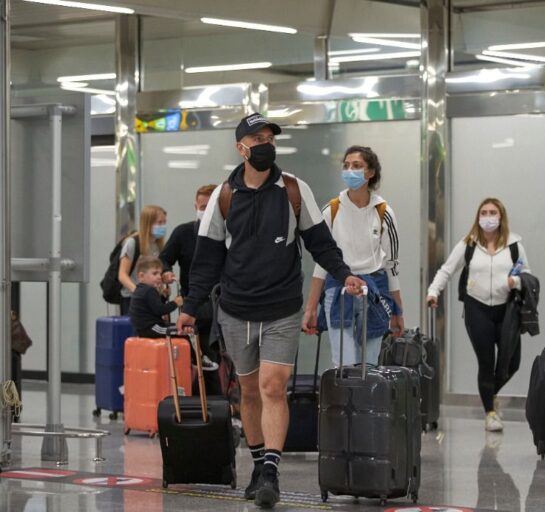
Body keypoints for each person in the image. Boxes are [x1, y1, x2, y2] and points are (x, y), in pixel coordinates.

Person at [176, 112, 366, 509]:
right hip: (235, 308)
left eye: (270, 137)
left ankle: (269, 473)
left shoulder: (294, 190)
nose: (266, 144)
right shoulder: (223, 197)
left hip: (282, 307)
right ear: (241, 147)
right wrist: (191, 307)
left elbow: (320, 242)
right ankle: (259, 461)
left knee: (273, 387)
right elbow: (206, 259)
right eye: (257, 137)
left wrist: (344, 274)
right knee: (247, 390)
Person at [426, 198, 530, 433]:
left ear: (501, 216)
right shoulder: (468, 244)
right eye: (484, 212)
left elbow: (527, 275)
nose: (488, 217)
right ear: (478, 217)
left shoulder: (515, 245)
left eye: (493, 212)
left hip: (507, 310)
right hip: (477, 308)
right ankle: (490, 413)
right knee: (486, 362)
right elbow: (447, 269)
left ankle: (489, 393)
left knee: (511, 363)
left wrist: (517, 281)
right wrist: (434, 291)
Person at [302, 145, 404, 366]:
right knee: (344, 364)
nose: (350, 171)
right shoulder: (331, 210)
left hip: (375, 289)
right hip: (339, 288)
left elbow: (392, 264)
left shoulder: (384, 212)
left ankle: (367, 402)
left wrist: (398, 310)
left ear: (370, 173)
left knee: (370, 364)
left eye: (357, 166)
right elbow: (322, 263)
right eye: (346, 166)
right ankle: (344, 401)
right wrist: (310, 309)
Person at [160, 184, 217, 355]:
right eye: (203, 208)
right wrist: (166, 272)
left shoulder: (231, 235)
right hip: (193, 304)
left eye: (211, 208)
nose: (207, 212)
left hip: (224, 304)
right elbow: (164, 258)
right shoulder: (183, 233)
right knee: (198, 354)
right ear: (195, 208)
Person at [118, 205, 168, 315]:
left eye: (164, 222)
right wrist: (138, 292)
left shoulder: (157, 246)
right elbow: (122, 275)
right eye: (159, 223)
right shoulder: (132, 243)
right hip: (132, 298)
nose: (163, 226)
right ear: (148, 223)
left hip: (151, 297)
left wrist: (161, 287)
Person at [128, 256, 183, 338]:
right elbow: (160, 310)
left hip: (144, 329)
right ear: (141, 276)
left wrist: (163, 297)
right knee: (182, 331)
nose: (159, 277)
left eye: (160, 274)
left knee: (176, 327)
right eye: (155, 273)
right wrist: (175, 303)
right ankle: (194, 351)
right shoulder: (149, 290)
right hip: (151, 327)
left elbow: (153, 307)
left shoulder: (140, 289)